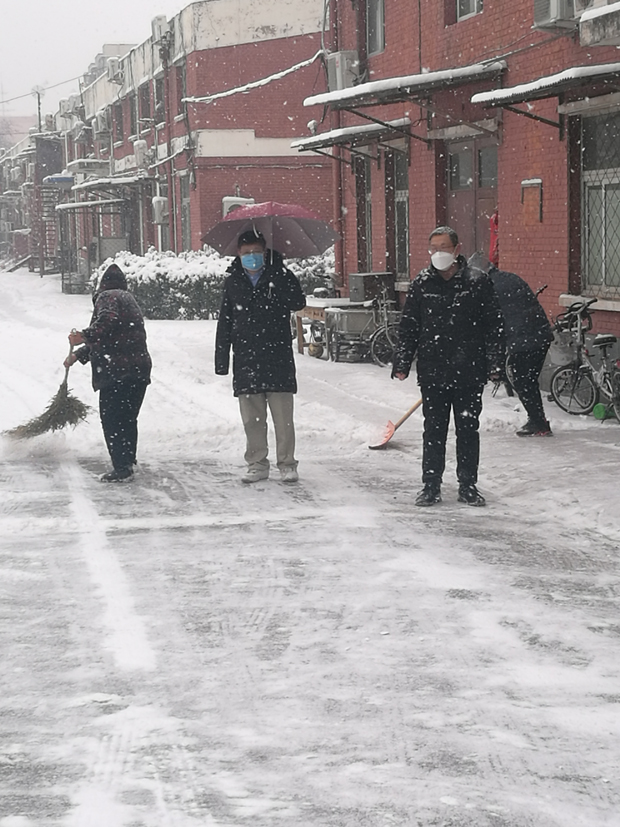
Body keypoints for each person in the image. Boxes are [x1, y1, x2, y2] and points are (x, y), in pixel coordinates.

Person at [392, 227, 505, 507]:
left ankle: (468, 485)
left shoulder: (477, 282)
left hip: (469, 370)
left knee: (468, 430)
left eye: (444, 247)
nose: (438, 253)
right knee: (434, 430)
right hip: (434, 370)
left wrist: (495, 363)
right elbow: (409, 326)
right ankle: (431, 485)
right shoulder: (422, 283)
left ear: (457, 249)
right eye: (434, 248)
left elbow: (494, 326)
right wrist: (402, 361)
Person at [215, 230, 306, 483]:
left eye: (256, 252)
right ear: (238, 254)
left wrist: (281, 275)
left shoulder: (280, 275)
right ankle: (257, 463)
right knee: (252, 420)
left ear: (265, 252)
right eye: (247, 253)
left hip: (277, 357)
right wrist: (221, 360)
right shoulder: (233, 281)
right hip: (246, 358)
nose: (252, 257)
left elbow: (298, 302)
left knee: (283, 419)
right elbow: (225, 321)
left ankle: (287, 463)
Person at [65, 263, 152, 482]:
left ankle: (122, 469)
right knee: (128, 418)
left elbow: (107, 321)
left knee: (112, 420)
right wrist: (78, 355)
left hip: (117, 370)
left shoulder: (108, 297)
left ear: (102, 286)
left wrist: (83, 336)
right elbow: (111, 335)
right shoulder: (128, 299)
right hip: (138, 370)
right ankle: (128, 460)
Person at [469, 253, 554, 438]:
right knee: (528, 380)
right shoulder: (510, 278)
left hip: (524, 340)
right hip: (540, 335)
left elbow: (492, 323)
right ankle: (538, 420)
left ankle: (538, 423)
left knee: (523, 380)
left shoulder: (489, 287)